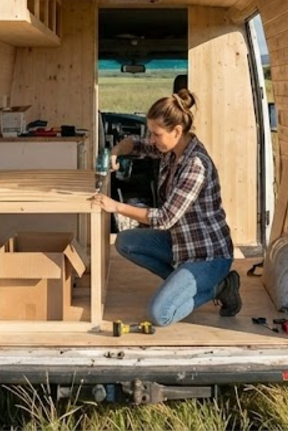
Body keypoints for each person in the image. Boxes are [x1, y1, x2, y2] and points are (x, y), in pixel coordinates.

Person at [89, 89, 242, 327]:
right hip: (180, 243)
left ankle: (220, 286)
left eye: (156, 134)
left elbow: (164, 218)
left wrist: (116, 207)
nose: (151, 139)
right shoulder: (171, 150)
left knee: (160, 314)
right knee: (126, 242)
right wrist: (116, 152)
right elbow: (135, 144)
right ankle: (180, 283)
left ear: (177, 131)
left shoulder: (195, 165)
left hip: (208, 255)